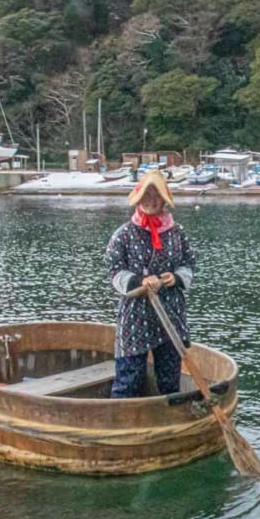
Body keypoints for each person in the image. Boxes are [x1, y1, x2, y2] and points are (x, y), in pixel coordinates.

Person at [104, 170, 196, 398]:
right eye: (146, 194)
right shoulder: (123, 234)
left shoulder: (177, 233)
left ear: (164, 199)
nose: (150, 200)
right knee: (129, 378)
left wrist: (175, 278)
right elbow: (114, 270)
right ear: (138, 197)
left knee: (169, 377)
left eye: (156, 195)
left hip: (170, 312)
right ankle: (120, 422)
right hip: (135, 314)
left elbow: (189, 264)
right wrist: (139, 281)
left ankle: (168, 423)